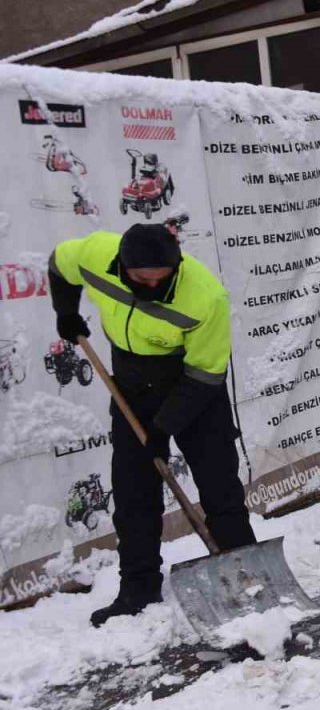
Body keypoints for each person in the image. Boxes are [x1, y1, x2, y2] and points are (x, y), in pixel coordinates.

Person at [48, 225, 255, 627]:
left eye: (164, 278)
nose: (154, 285)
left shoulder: (205, 296)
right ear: (121, 267)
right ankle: (138, 588)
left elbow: (206, 375)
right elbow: (58, 264)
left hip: (194, 388)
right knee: (132, 494)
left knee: (220, 490)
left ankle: (246, 578)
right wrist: (66, 312)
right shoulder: (95, 254)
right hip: (131, 386)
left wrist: (161, 430)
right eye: (143, 280)